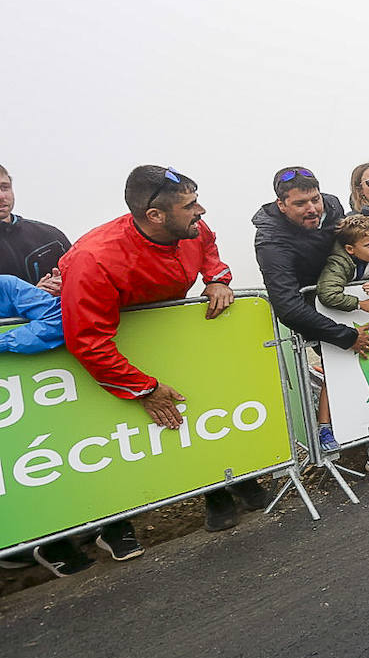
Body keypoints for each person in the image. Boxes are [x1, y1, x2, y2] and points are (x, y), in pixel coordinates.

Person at [61, 165, 267, 537]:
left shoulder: (190, 226)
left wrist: (218, 278)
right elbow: (87, 340)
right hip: (125, 347)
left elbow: (207, 245)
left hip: (174, 333)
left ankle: (239, 477)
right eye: (190, 205)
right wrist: (144, 388)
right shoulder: (93, 258)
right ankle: (212, 492)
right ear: (155, 216)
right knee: (168, 421)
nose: (200, 212)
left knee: (208, 405)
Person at [252, 167, 369, 465]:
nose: (312, 209)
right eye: (300, 204)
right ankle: (333, 434)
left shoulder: (333, 205)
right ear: (281, 204)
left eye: (314, 199)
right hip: (315, 313)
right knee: (338, 373)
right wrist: (346, 337)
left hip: (356, 301)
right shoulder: (271, 241)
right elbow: (286, 306)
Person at [0, 274, 94, 576]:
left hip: (25, 405)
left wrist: (3, 341)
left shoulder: (6, 285)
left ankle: (54, 545)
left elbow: (58, 318)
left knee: (34, 466)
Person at [0, 164, 70, 292]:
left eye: (4, 187)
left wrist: (65, 284)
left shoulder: (51, 236)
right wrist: (31, 296)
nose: (1, 197)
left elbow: (82, 279)